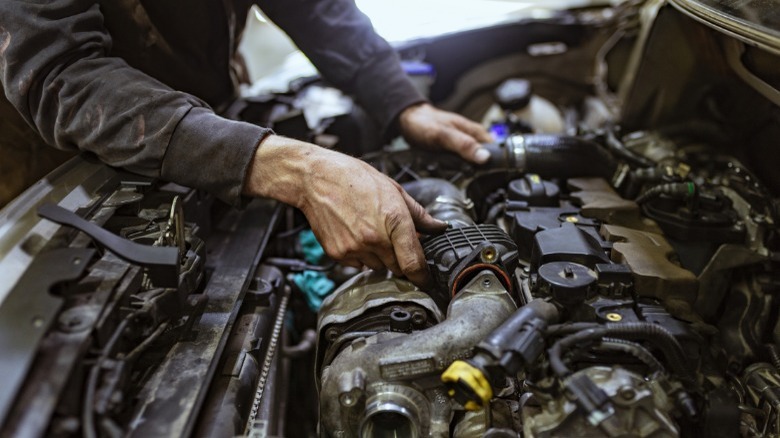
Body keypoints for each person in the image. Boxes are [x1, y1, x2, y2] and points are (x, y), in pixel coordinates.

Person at [0, 0, 492, 286]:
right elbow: (62, 73)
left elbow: (315, 7)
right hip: (57, 159)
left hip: (205, 105)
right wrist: (296, 169)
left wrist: (401, 102)